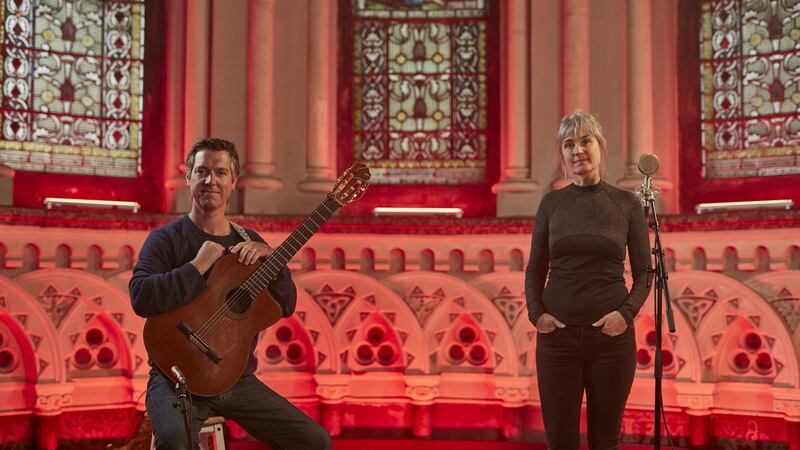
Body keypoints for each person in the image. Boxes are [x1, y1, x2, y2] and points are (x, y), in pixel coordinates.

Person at [130, 138, 332, 450]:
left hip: (235, 379)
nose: (211, 180)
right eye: (202, 171)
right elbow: (141, 296)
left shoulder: (249, 241)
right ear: (189, 178)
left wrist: (271, 261)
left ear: (233, 181)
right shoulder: (165, 239)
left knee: (314, 441)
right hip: (175, 378)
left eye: (221, 173)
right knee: (174, 442)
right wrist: (197, 266)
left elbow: (285, 304)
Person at [525, 111, 651, 450]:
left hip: (610, 342)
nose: (577, 150)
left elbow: (644, 273)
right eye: (569, 144)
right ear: (562, 154)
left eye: (585, 141)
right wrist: (537, 314)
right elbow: (536, 267)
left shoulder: (627, 204)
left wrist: (624, 316)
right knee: (560, 442)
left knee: (605, 442)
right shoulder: (551, 204)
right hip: (558, 342)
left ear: (600, 147)